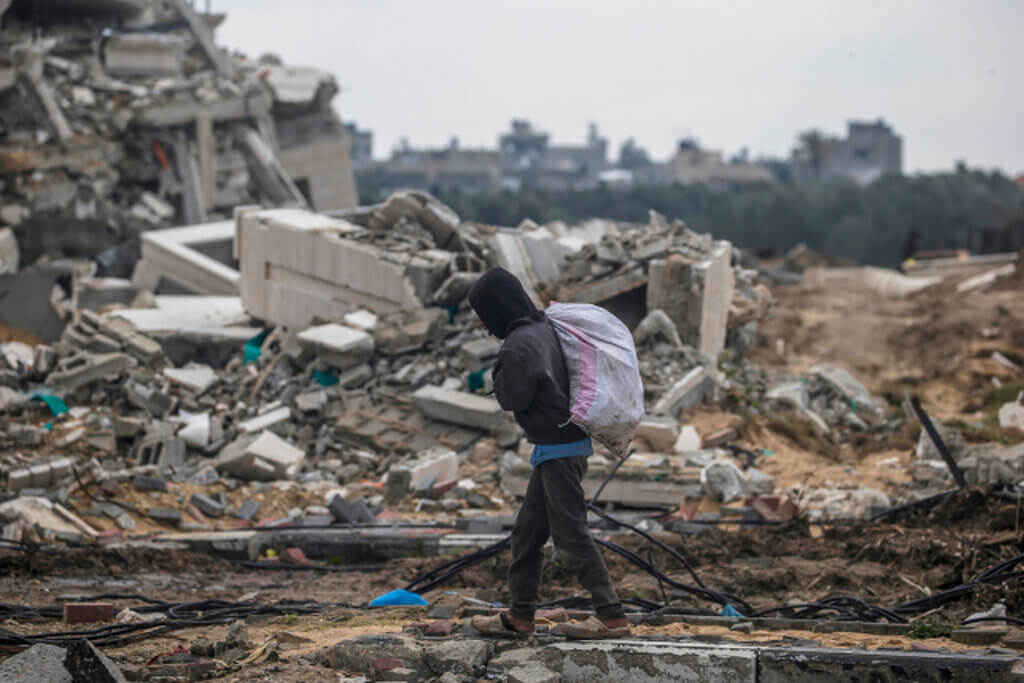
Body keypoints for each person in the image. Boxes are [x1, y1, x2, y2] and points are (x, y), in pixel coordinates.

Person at [466, 267, 630, 640]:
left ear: (496, 309)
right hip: (557, 446)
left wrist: (498, 367)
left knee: (571, 536)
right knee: (527, 535)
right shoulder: (542, 329)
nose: (482, 324)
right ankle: (520, 616)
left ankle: (611, 616)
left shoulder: (520, 342)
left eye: (483, 315)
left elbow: (513, 397)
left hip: (559, 451)